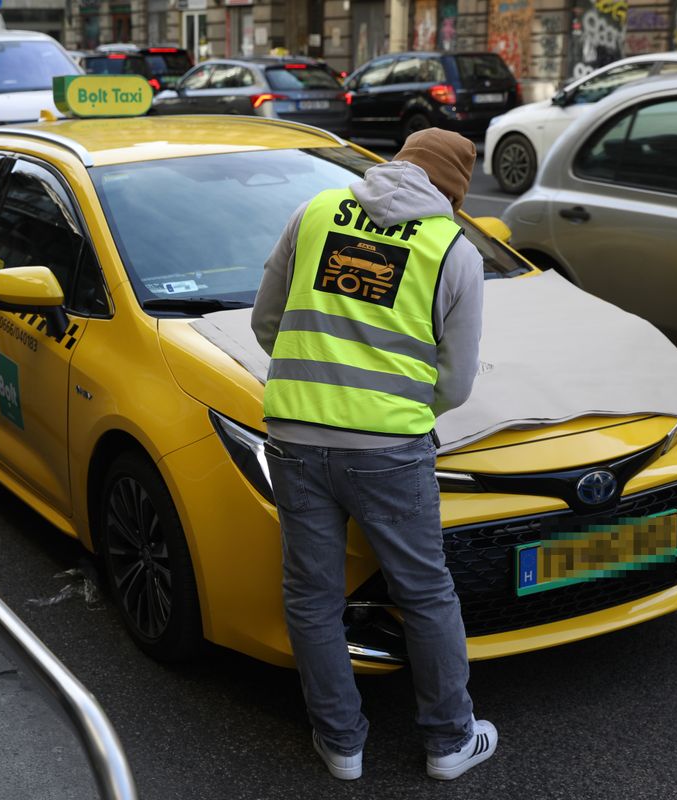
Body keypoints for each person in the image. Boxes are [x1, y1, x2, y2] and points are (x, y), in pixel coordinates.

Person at [250, 128, 494, 782]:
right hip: (390, 451)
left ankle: (340, 745)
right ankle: (449, 742)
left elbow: (265, 323)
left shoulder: (316, 213)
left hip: (296, 438)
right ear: (452, 190)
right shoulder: (453, 251)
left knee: (311, 596)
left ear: (397, 165)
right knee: (425, 594)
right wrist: (400, 410)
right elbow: (457, 380)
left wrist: (318, 385)